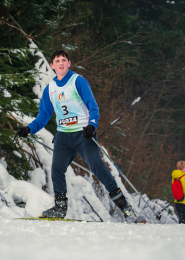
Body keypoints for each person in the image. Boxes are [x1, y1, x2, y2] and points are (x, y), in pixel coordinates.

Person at [16, 49, 134, 219]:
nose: (61, 63)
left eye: (64, 60)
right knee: (56, 168)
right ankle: (60, 207)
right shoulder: (50, 88)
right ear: (52, 66)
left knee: (96, 165)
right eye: (57, 61)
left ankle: (123, 205)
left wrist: (92, 125)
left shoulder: (78, 81)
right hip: (63, 136)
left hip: (83, 133)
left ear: (69, 63)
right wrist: (28, 129)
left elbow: (92, 105)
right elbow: (43, 116)